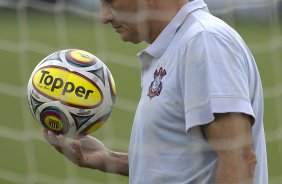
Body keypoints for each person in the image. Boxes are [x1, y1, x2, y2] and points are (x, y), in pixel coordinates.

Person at [43, 0, 268, 183]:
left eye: (110, 2)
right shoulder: (176, 45)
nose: (104, 17)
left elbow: (238, 159)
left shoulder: (204, 41)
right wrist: (107, 158)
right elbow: (181, 167)